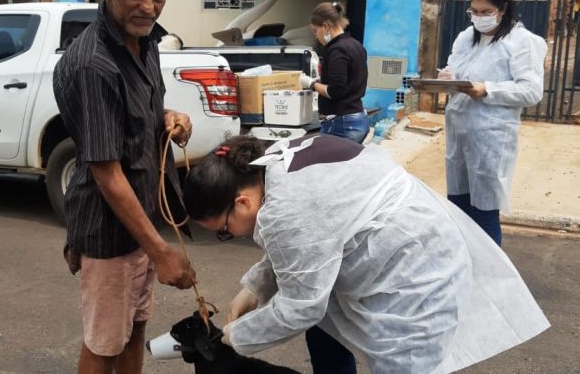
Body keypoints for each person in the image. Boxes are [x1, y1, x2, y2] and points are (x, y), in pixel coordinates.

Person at [182, 134, 550, 374]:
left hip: (414, 273)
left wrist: (238, 336)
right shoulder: (274, 161)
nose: (228, 236)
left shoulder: (286, 209)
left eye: (224, 231)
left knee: (402, 366)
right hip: (409, 239)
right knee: (327, 331)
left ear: (242, 202)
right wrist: (257, 287)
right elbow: (306, 244)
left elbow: (301, 306)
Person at [53, 0, 196, 374]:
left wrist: (172, 117)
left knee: (134, 329)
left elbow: (137, 118)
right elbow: (107, 174)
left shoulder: (146, 43)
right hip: (109, 232)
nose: (149, 7)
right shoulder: (95, 64)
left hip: (141, 222)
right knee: (103, 344)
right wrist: (162, 252)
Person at [438, 0, 547, 246]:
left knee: (484, 213)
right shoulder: (467, 38)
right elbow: (454, 72)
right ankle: (464, 268)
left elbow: (531, 91)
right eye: (474, 11)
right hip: (459, 133)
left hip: (490, 138)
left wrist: (488, 89)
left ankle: (491, 277)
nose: (478, 18)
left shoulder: (522, 42)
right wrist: (447, 79)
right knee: (458, 208)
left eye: (486, 12)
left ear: (504, 8)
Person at [299, 1, 369, 143]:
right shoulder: (356, 45)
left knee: (330, 164)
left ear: (325, 26)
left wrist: (311, 83)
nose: (316, 37)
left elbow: (336, 91)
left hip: (342, 124)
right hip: (357, 117)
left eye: (315, 31)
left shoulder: (337, 50)